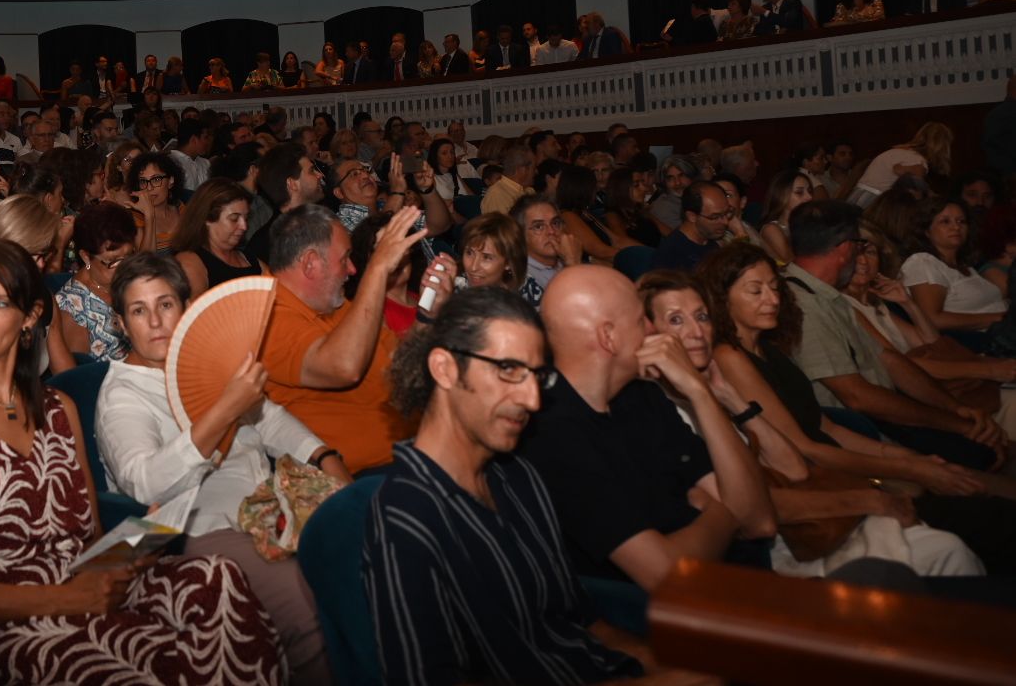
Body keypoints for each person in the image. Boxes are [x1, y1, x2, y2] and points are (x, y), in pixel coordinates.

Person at [0, 241, 281, 685]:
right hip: (14, 619)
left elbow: (87, 539)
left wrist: (136, 544)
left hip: (84, 586)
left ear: (31, 316)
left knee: (218, 578)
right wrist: (65, 599)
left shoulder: (58, 408)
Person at [366, 287, 648, 685]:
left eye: (536, 375)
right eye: (509, 370)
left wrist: (662, 668)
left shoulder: (519, 474)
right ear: (445, 368)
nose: (532, 399)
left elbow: (583, 622)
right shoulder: (406, 516)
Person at [641, 269, 983, 579]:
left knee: (947, 544)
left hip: (802, 516)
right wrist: (872, 497)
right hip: (773, 552)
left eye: (701, 316)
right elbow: (754, 513)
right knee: (946, 550)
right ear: (648, 331)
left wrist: (732, 399)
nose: (696, 331)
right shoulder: (661, 409)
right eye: (676, 320)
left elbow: (794, 466)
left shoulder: (715, 383)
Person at [699, 242, 1016, 572]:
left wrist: (904, 458)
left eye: (774, 287)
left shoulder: (770, 349)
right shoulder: (729, 357)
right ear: (723, 297)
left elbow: (827, 427)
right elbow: (806, 448)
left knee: (983, 508)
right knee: (978, 527)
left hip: (842, 467)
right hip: (818, 484)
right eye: (755, 291)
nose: (773, 299)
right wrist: (910, 469)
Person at [97, 253, 340, 685]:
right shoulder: (123, 394)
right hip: (198, 531)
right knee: (316, 616)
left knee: (371, 565)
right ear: (120, 323)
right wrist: (225, 409)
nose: (155, 321)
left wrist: (324, 457)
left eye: (165, 304)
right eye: (139, 310)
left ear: (185, 308)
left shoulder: (202, 361)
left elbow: (270, 419)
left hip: (270, 506)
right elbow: (143, 483)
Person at [522, 265, 777, 590]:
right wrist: (722, 514)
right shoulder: (552, 434)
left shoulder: (640, 395)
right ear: (608, 337)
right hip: (690, 621)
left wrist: (699, 393)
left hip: (747, 586)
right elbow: (666, 575)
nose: (652, 329)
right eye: (641, 319)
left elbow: (759, 521)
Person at [783, 200, 1008, 473]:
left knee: (988, 446)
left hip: (889, 415)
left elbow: (890, 360)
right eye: (858, 246)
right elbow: (857, 396)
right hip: (860, 432)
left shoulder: (827, 295)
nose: (861, 257)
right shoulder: (803, 305)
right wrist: (956, 424)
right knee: (983, 459)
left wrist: (955, 410)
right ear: (844, 249)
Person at [263, 206, 428, 474]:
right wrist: (379, 267)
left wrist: (429, 315)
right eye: (345, 259)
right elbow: (343, 367)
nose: (352, 269)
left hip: (415, 448)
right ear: (310, 263)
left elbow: (405, 365)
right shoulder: (267, 314)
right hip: (367, 476)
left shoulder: (335, 304)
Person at [899, 197, 1009, 345]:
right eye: (945, 221)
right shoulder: (922, 262)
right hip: (978, 343)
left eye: (961, 221)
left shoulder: (965, 266)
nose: (956, 227)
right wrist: (1001, 318)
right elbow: (932, 319)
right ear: (926, 230)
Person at [52, 201, 136, 361]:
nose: (125, 267)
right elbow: (80, 378)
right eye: (113, 261)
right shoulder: (71, 310)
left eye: (130, 255)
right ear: (85, 256)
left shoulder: (131, 280)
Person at [171, 179, 261, 299]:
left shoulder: (248, 258)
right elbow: (195, 314)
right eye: (234, 219)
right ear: (207, 218)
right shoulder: (190, 262)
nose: (244, 226)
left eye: (246, 218)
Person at [851, 122, 953, 205]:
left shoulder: (899, 151)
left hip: (857, 195)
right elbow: (911, 182)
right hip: (873, 200)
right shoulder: (918, 161)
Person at [653, 182, 732, 272]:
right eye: (715, 217)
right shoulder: (671, 255)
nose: (725, 222)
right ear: (692, 216)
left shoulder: (711, 241)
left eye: (727, 213)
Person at [760, 169, 815, 264]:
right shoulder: (771, 229)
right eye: (799, 192)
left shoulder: (810, 225)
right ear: (781, 195)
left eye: (809, 191)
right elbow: (793, 264)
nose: (809, 197)